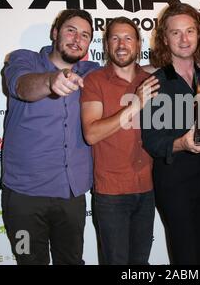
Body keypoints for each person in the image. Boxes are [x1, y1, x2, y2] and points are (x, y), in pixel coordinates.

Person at [1, 9, 100, 265]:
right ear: (55, 33)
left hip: (71, 195)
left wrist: (176, 63)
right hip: (24, 197)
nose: (77, 39)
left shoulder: (92, 72)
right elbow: (21, 85)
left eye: (85, 35)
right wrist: (51, 81)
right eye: (71, 30)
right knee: (28, 261)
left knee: (71, 261)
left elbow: (129, 74)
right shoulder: (25, 60)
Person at [141, 3, 200, 265]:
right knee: (185, 257)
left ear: (199, 34)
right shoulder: (155, 81)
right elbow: (152, 141)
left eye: (190, 31)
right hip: (173, 181)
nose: (184, 39)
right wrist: (183, 143)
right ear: (165, 38)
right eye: (176, 33)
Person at [80, 17, 159, 265]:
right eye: (115, 38)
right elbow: (91, 134)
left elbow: (178, 66)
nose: (121, 44)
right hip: (111, 193)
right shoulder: (95, 81)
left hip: (146, 188)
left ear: (138, 43)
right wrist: (135, 104)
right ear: (106, 44)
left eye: (128, 38)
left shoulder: (151, 79)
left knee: (140, 263)